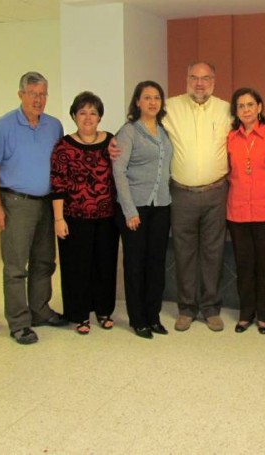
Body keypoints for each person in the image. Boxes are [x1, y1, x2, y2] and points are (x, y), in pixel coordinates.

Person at [0, 71, 68, 345]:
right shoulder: (4, 125)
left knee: (45, 261)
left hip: (47, 205)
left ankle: (40, 310)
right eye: (33, 93)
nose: (39, 99)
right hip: (16, 204)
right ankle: (19, 322)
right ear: (21, 94)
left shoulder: (54, 126)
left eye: (43, 94)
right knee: (16, 266)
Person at [162, 62, 232, 332]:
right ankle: (186, 309)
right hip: (181, 194)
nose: (200, 83)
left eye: (205, 78)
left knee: (213, 252)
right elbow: (141, 125)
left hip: (216, 192)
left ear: (214, 81)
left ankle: (211, 308)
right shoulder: (169, 108)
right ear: (186, 79)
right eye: (194, 77)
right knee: (184, 253)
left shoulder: (226, 109)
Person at [50, 91, 118, 335]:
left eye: (93, 113)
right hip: (74, 218)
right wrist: (58, 219)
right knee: (76, 267)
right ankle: (79, 314)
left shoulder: (111, 141)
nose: (88, 117)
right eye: (82, 113)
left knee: (104, 265)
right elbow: (57, 185)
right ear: (74, 116)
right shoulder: (63, 147)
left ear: (100, 116)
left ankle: (103, 310)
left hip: (107, 217)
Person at [113, 81, 173, 339]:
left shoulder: (164, 131)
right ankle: (138, 319)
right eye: (146, 97)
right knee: (135, 264)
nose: (152, 102)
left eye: (156, 98)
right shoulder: (128, 132)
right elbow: (119, 171)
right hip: (135, 207)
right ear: (137, 102)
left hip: (161, 205)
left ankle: (153, 316)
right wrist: (129, 211)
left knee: (156, 264)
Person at [226, 88, 265, 335]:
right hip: (237, 211)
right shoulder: (229, 138)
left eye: (250, 104)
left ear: (260, 107)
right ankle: (246, 313)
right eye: (241, 106)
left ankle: (264, 315)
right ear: (236, 111)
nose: (246, 110)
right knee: (244, 265)